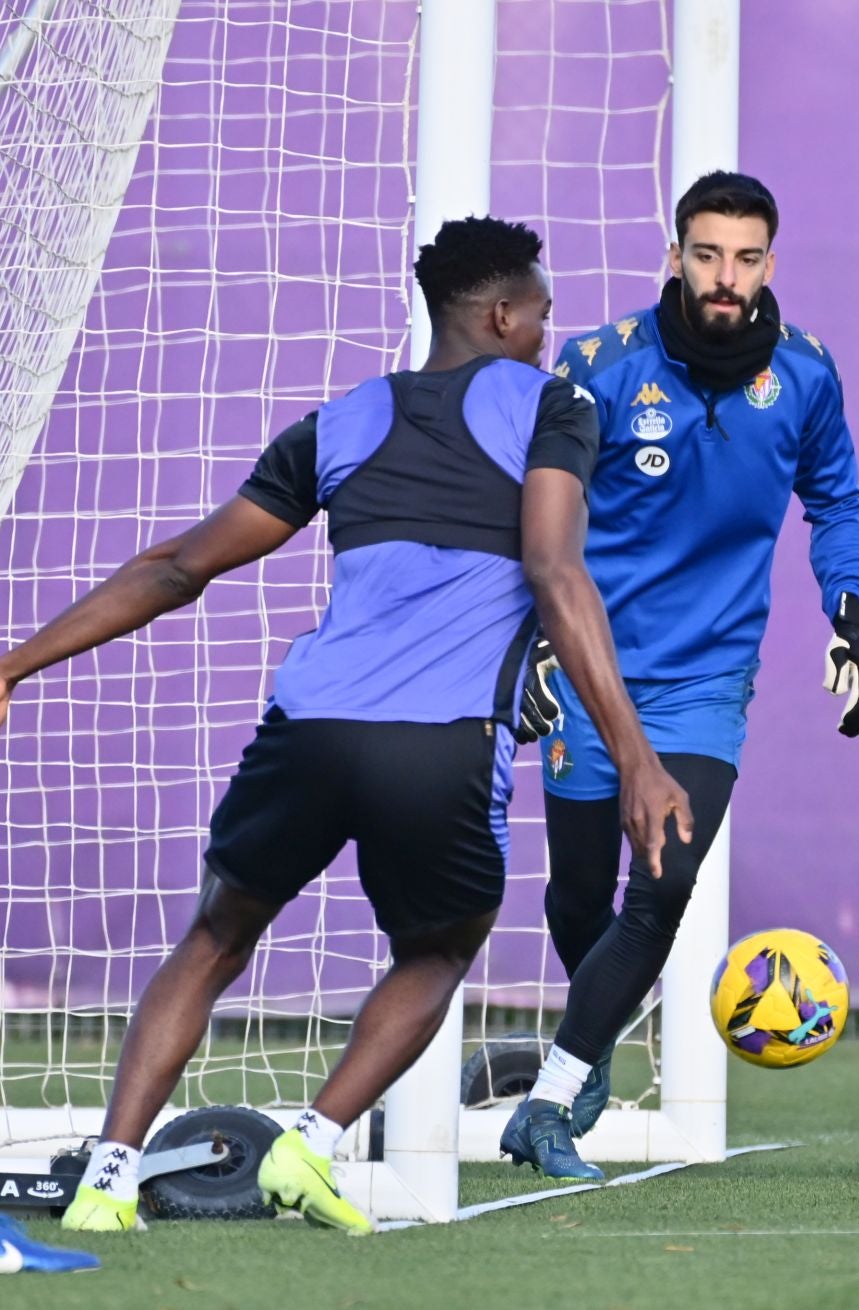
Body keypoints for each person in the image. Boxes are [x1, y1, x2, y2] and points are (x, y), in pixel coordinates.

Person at [0, 217, 686, 1234]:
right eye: (540, 312)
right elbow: (554, 568)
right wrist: (638, 755)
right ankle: (313, 1143)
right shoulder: (555, 404)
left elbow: (179, 565)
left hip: (309, 728)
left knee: (216, 934)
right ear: (502, 315)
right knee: (440, 950)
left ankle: (107, 1175)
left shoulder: (344, 419)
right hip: (439, 743)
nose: (549, 329)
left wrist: (15, 662)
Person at [501, 171, 859, 1177]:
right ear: (674, 255)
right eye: (706, 254)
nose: (725, 276)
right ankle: (582, 1055)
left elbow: (836, 502)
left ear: (769, 263)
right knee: (580, 900)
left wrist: (853, 616)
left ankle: (545, 1102)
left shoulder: (804, 375)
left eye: (746, 257)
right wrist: (536, 642)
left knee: (661, 881)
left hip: (710, 681)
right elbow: (550, 517)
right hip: (596, 672)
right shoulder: (599, 366)